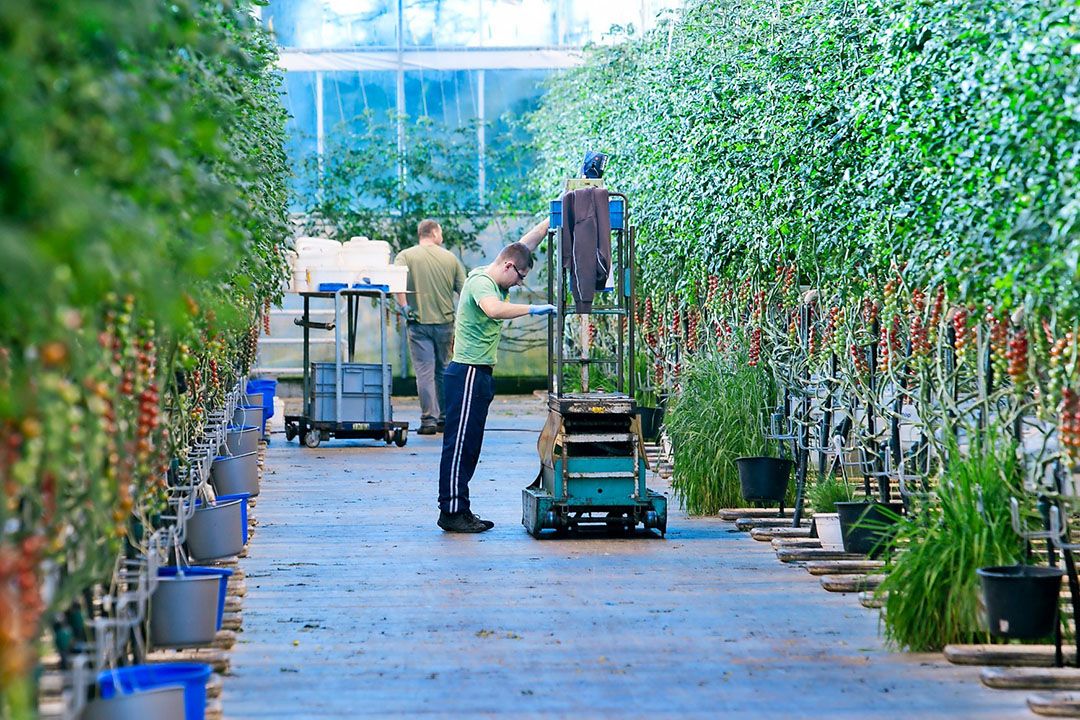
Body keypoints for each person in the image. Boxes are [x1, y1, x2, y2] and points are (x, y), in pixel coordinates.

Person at [437, 218, 556, 533]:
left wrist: (555, 212)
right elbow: (492, 309)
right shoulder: (482, 283)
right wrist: (532, 309)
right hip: (467, 373)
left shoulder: (503, 269)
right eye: (520, 277)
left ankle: (460, 508)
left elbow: (524, 246)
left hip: (480, 374)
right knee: (460, 445)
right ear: (507, 266)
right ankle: (451, 511)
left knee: (471, 445)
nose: (519, 283)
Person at [394, 219, 467, 435]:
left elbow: (396, 283)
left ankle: (428, 421)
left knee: (424, 373)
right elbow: (464, 291)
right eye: (440, 232)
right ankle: (445, 419)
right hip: (445, 323)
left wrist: (405, 307)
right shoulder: (450, 258)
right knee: (444, 370)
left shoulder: (405, 256)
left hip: (418, 323)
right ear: (434, 232)